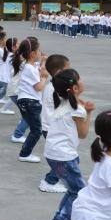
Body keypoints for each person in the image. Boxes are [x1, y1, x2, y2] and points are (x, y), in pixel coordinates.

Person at [44, 69, 94, 220]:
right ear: (74, 88)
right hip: (64, 156)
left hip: (54, 153)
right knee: (79, 191)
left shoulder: (64, 104)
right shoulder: (77, 110)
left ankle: (59, 219)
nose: (83, 81)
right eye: (79, 79)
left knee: (73, 189)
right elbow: (83, 134)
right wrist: (90, 113)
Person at [38, 54, 71, 194]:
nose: (70, 72)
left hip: (51, 126)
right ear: (59, 72)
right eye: (67, 69)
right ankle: (49, 182)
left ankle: (52, 179)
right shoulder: (54, 89)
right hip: (52, 128)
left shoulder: (53, 85)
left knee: (62, 156)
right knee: (62, 158)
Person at [14, 37, 50, 163]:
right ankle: (24, 154)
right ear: (33, 53)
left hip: (25, 100)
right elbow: (39, 86)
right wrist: (45, 78)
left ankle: (24, 151)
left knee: (34, 128)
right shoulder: (29, 68)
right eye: (39, 50)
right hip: (31, 102)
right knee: (36, 130)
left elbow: (39, 69)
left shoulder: (28, 65)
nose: (40, 52)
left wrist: (44, 61)